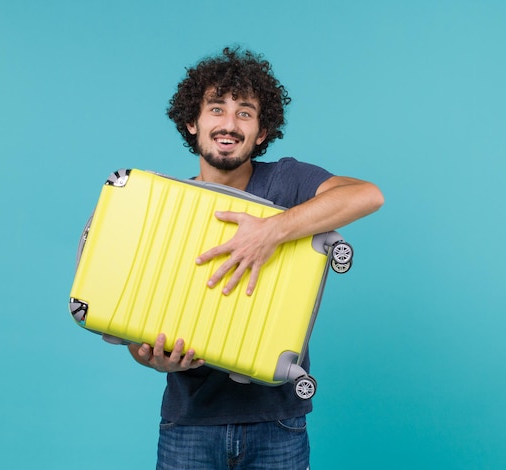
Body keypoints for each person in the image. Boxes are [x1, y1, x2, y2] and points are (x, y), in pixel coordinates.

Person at [127, 47, 384, 469]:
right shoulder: (165, 205)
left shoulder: (287, 180)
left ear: (262, 131)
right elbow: (142, 307)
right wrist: (148, 357)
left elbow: (367, 195)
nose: (229, 124)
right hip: (188, 423)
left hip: (277, 421)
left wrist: (271, 231)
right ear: (192, 123)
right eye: (216, 109)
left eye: (245, 113)